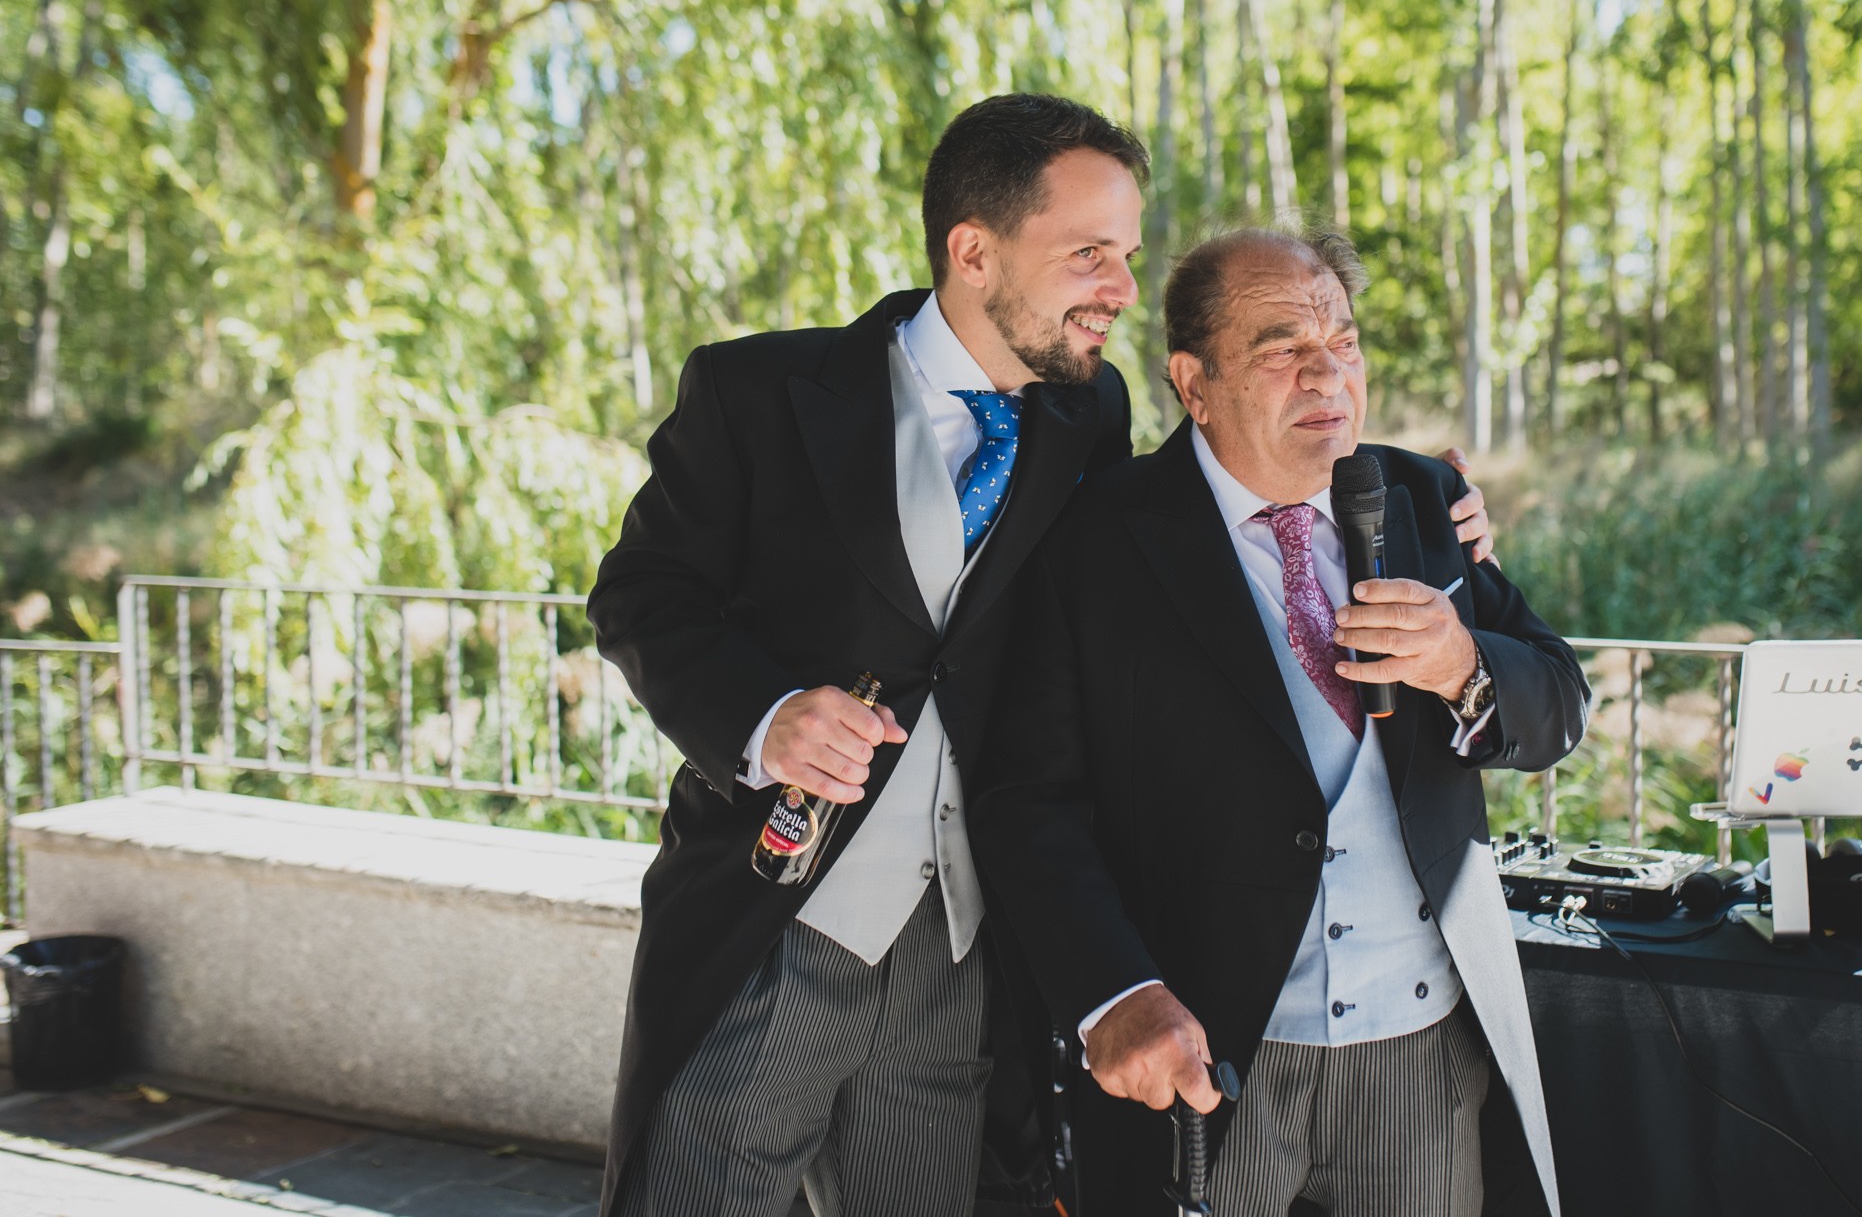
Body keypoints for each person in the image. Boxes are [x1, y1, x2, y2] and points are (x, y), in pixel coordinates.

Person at [590, 93, 1495, 1217]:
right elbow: (641, 593)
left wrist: (1422, 498)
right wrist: (763, 713)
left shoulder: (1089, 414)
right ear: (973, 252)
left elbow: (1227, 478)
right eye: (1086, 255)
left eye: (1122, 253)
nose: (1118, 287)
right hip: (778, 915)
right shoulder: (760, 392)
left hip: (972, 961)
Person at [970, 225, 1587, 1217]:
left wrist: (1464, 664)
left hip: (1421, 1058)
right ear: (1192, 381)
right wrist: (1111, 994)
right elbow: (1024, 802)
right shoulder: (1091, 543)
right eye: (1280, 349)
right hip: (1208, 1063)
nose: (1326, 373)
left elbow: (1557, 704)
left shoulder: (1424, 502)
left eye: (1342, 342)